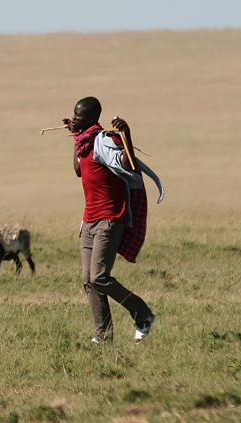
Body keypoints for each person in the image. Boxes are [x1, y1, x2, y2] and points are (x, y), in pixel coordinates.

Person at [64, 96, 164, 344]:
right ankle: (103, 337)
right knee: (89, 281)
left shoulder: (106, 141)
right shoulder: (85, 143)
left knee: (99, 276)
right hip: (88, 221)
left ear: (92, 117)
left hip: (110, 218)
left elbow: (129, 165)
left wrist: (127, 135)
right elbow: (78, 171)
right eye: (74, 114)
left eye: (79, 115)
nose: (75, 118)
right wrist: (75, 139)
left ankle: (143, 314)